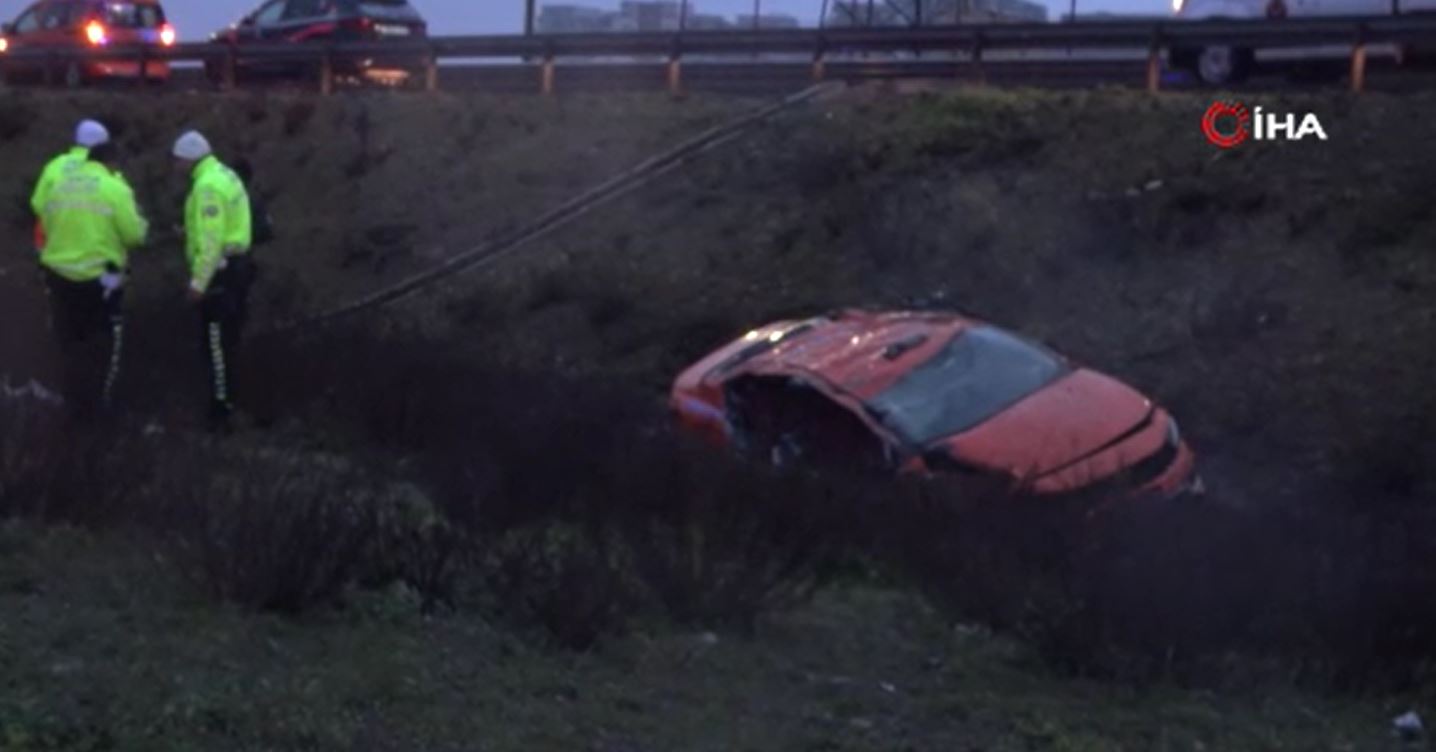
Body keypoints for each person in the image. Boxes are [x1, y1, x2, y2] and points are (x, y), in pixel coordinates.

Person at [35, 135, 149, 419]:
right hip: (100, 281)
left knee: (69, 339)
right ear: (110, 163)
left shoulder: (59, 185)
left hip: (59, 276)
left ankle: (71, 398)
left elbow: (45, 222)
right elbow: (134, 236)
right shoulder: (114, 187)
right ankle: (97, 404)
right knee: (102, 340)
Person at [172, 130, 254, 430]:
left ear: (190, 159)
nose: (176, 167)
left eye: (178, 161)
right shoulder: (225, 175)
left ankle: (220, 415)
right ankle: (228, 405)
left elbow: (212, 239)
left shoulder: (207, 187)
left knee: (216, 346)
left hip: (221, 273)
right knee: (229, 343)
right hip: (238, 267)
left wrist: (198, 283)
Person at [31, 119, 110, 257]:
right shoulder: (104, 171)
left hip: (52, 249)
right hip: (92, 253)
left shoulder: (54, 165)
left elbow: (37, 204)